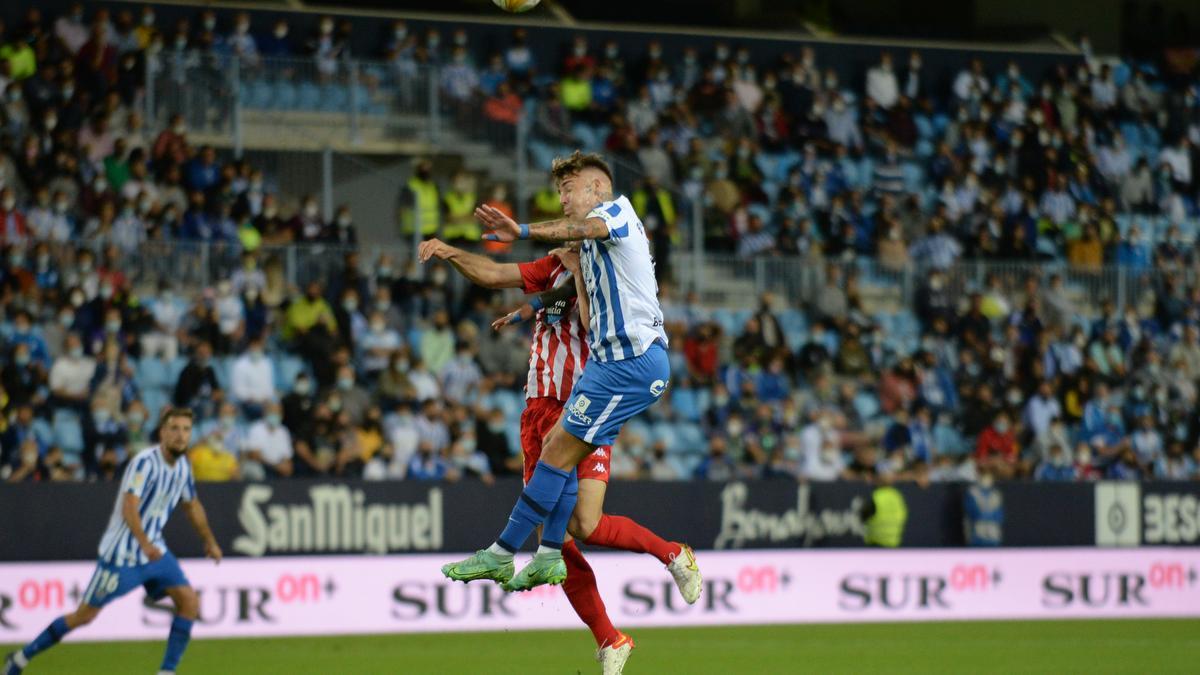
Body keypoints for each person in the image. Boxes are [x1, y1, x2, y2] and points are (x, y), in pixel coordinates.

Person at [423, 151, 699, 668]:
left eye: (567, 192)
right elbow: (497, 273)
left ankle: (507, 554)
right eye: (560, 197)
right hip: (554, 402)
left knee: (564, 522)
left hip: (595, 394)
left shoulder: (610, 236)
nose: (563, 203)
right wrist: (450, 252)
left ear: (594, 190)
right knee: (585, 526)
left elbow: (590, 270)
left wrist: (546, 266)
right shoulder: (569, 262)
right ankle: (630, 612)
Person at [5, 408, 221, 675]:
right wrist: (143, 542)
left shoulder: (184, 467)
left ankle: (167, 672)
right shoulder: (145, 463)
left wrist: (209, 541)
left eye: (186, 429)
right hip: (123, 555)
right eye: (174, 428)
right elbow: (130, 506)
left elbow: (192, 505)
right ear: (162, 432)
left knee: (189, 602)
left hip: (156, 551)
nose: (180, 435)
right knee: (84, 616)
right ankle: (20, 659)